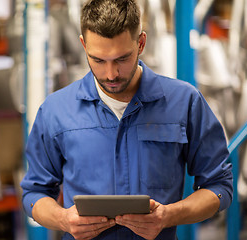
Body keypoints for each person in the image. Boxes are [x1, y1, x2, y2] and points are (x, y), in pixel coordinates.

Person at [20, 0, 233, 239]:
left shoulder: (184, 103)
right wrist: (63, 220)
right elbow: (34, 193)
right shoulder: (55, 111)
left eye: (121, 59)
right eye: (98, 60)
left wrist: (168, 216)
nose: (111, 74)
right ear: (83, 45)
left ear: (140, 43)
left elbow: (219, 187)